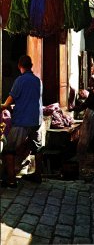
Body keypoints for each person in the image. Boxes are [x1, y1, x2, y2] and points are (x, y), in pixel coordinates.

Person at [0, 55, 43, 187]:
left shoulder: (20, 80)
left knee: (8, 149)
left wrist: (3, 106)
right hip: (37, 120)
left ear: (19, 66)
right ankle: (37, 175)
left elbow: (9, 100)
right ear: (31, 66)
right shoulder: (38, 81)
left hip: (23, 121)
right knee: (37, 149)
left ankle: (11, 180)